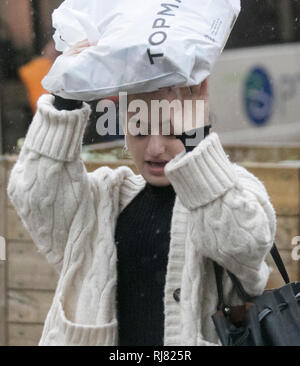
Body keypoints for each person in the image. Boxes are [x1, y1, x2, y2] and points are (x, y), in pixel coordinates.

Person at [7, 40, 276, 346]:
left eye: (172, 130)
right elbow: (34, 196)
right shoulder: (104, 197)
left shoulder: (235, 188)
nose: (155, 148)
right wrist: (66, 97)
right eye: (140, 130)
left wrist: (198, 143)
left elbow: (244, 246)